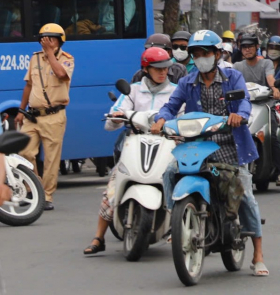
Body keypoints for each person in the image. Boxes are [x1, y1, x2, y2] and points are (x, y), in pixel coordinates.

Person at [151, 30, 268, 277]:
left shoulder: (233, 78)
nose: (201, 57)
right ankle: (177, 220)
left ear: (217, 54)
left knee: (244, 192)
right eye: (196, 54)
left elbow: (244, 101)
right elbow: (172, 106)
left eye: (205, 53)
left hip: (228, 144)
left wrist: (240, 115)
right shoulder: (187, 82)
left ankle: (258, 254)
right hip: (197, 144)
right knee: (170, 172)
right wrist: (160, 119)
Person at [84, 48, 177, 255]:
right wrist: (116, 115)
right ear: (146, 69)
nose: (163, 72)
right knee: (114, 184)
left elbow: (185, 114)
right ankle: (99, 237)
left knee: (180, 182)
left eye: (165, 68)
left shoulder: (176, 91)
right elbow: (113, 118)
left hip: (167, 144)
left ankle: (179, 226)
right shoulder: (133, 90)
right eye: (157, 68)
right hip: (136, 142)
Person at [16, 23, 75, 211]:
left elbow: (60, 74)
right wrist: (20, 110)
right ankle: (33, 187)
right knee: (24, 153)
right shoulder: (35, 58)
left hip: (54, 116)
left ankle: (47, 196)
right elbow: (28, 85)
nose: (46, 42)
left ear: (60, 41)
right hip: (32, 116)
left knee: (51, 159)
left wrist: (50, 53)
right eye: (43, 39)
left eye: (51, 39)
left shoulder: (67, 59)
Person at [234, 34, 280, 186]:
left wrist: (274, 88)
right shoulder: (237, 66)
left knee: (273, 136)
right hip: (244, 106)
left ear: (257, 47)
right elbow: (231, 83)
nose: (247, 49)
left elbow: (270, 78)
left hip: (265, 105)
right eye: (244, 47)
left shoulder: (266, 63)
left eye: (250, 46)